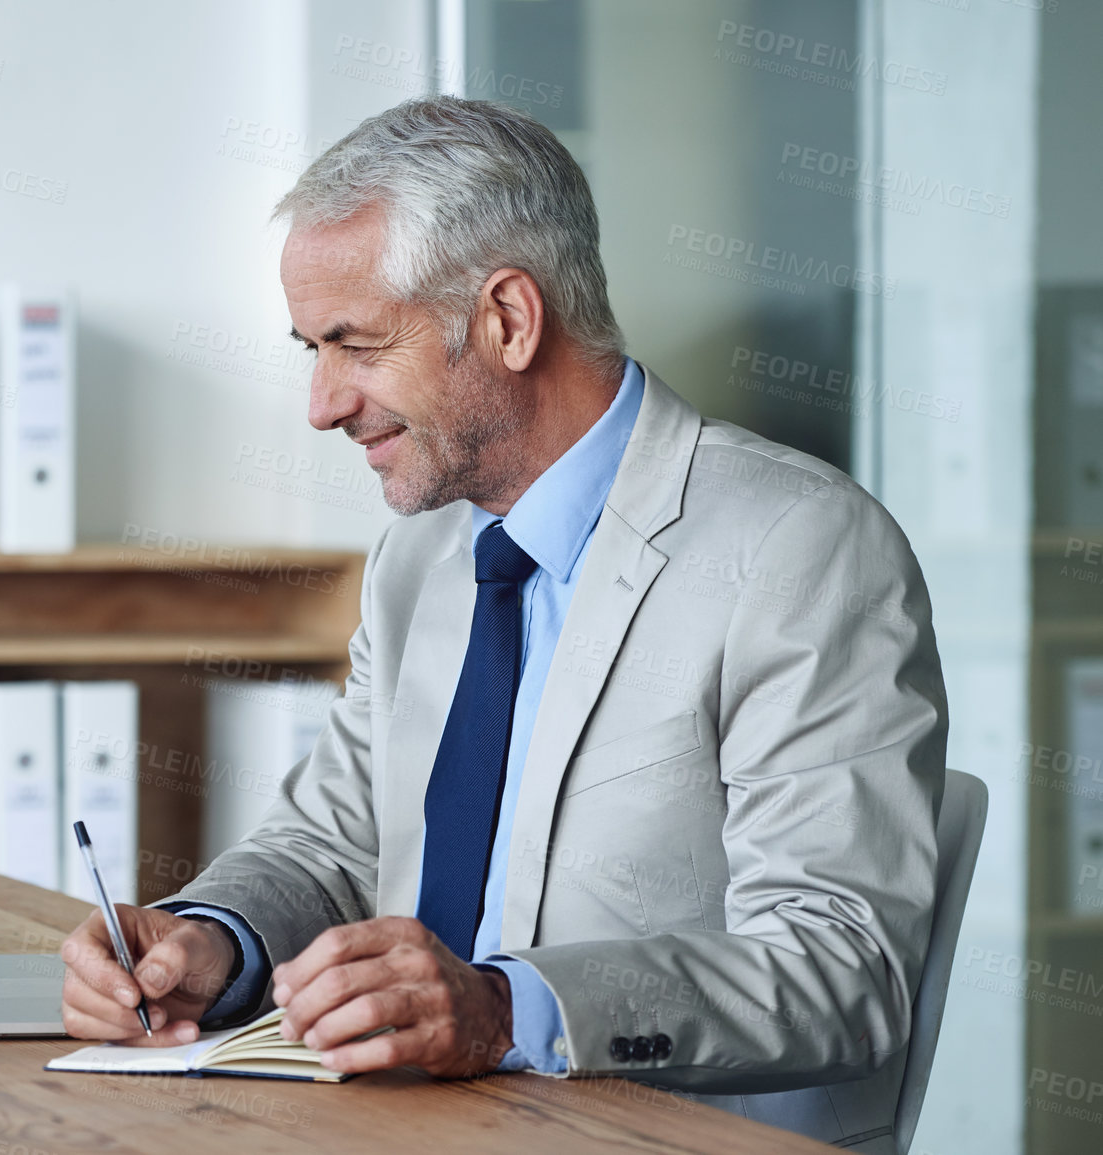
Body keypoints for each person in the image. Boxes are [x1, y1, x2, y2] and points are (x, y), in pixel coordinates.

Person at [58, 95, 946, 1152]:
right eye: (311, 348)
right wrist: (212, 942)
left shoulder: (801, 551)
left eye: (355, 345)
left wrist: (507, 1010)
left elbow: (841, 967)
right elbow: (336, 839)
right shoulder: (421, 555)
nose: (323, 403)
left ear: (510, 320)